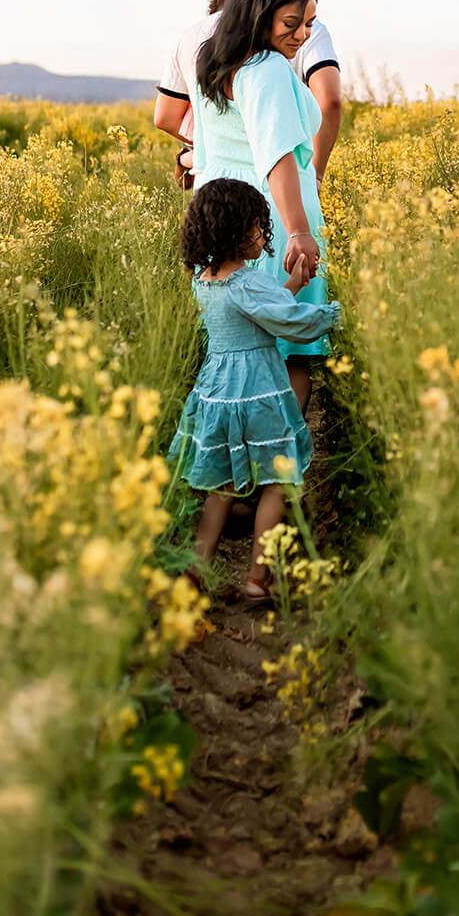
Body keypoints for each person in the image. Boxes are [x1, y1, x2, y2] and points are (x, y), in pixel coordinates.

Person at [168, 178, 340, 601]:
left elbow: (259, 313)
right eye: (258, 227)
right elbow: (289, 321)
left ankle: (195, 570)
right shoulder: (247, 282)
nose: (264, 234)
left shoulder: (206, 278)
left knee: (221, 488)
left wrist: (293, 286)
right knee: (278, 481)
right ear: (235, 231)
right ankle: (255, 580)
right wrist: (336, 313)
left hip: (218, 391)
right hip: (259, 393)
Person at [192, 0, 331, 415]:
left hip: (225, 221)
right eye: (291, 23)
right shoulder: (268, 66)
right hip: (272, 223)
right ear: (259, 10)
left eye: (309, 23)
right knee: (290, 355)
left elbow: (206, 150)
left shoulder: (215, 58)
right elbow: (278, 154)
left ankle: (236, 461)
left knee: (236, 353)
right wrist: (297, 231)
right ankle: (281, 466)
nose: (303, 35)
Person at [154, 0, 342, 191]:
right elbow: (329, 101)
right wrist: (316, 177)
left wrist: (202, 153)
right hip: (278, 186)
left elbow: (165, 117)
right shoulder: (303, 27)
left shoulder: (193, 37)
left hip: (213, 185)